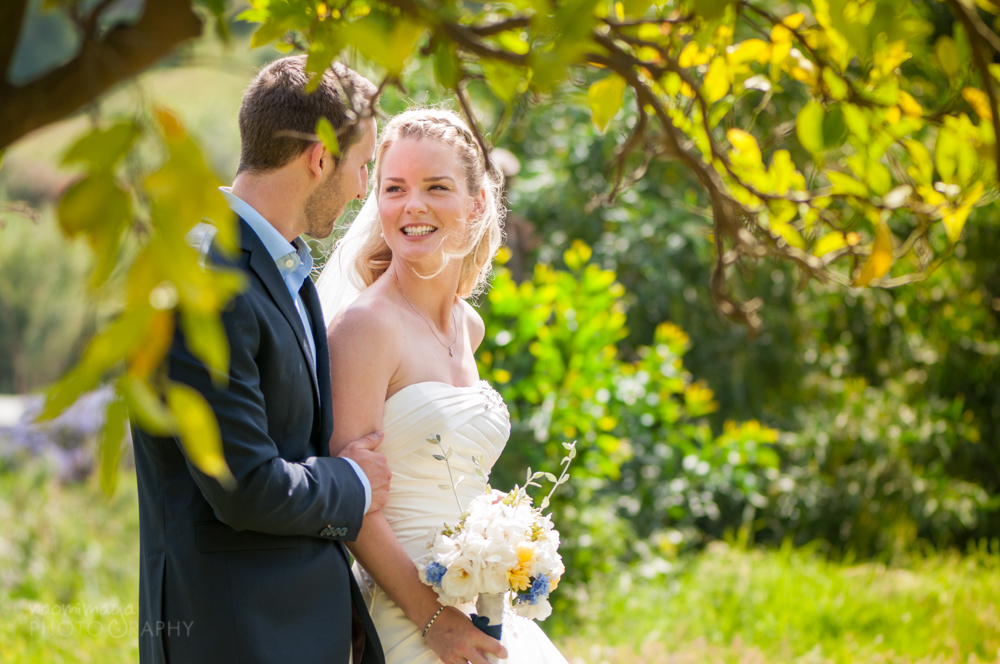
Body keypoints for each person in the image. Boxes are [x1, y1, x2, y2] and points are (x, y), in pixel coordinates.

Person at [131, 55, 391, 664]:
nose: (363, 189)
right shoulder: (205, 285)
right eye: (363, 167)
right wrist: (352, 480)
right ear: (319, 158)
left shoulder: (286, 268)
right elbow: (244, 485)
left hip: (296, 629)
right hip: (232, 636)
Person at [319, 109, 569, 664]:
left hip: (476, 603)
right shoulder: (365, 329)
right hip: (408, 611)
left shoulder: (468, 325)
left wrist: (505, 544)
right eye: (394, 188)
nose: (413, 206)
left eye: (436, 187)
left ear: (477, 202)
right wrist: (434, 621)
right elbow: (352, 504)